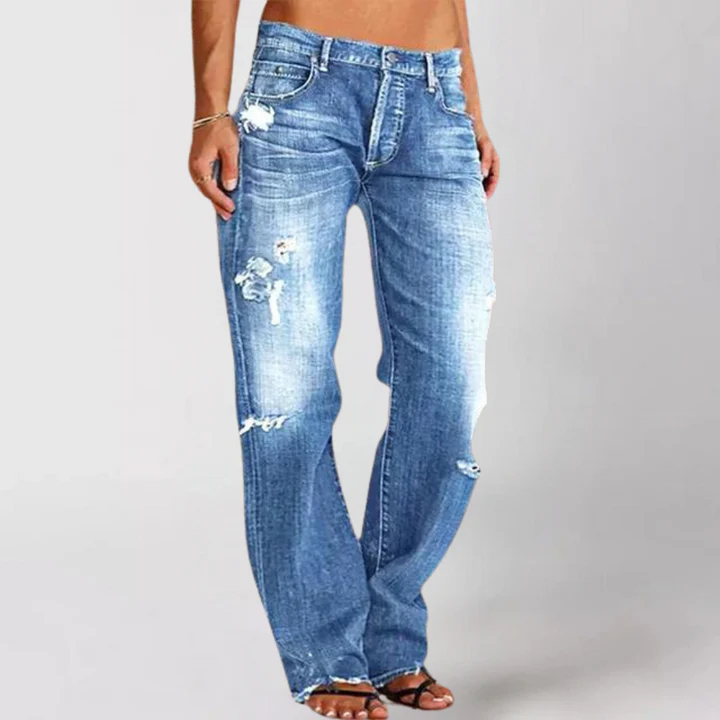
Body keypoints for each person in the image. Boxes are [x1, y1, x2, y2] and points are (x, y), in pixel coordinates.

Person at [189, 1, 499, 717]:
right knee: (289, 398)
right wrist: (210, 111)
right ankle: (327, 650)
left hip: (436, 96)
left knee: (450, 387)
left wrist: (470, 108)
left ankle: (390, 635)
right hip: (303, 87)